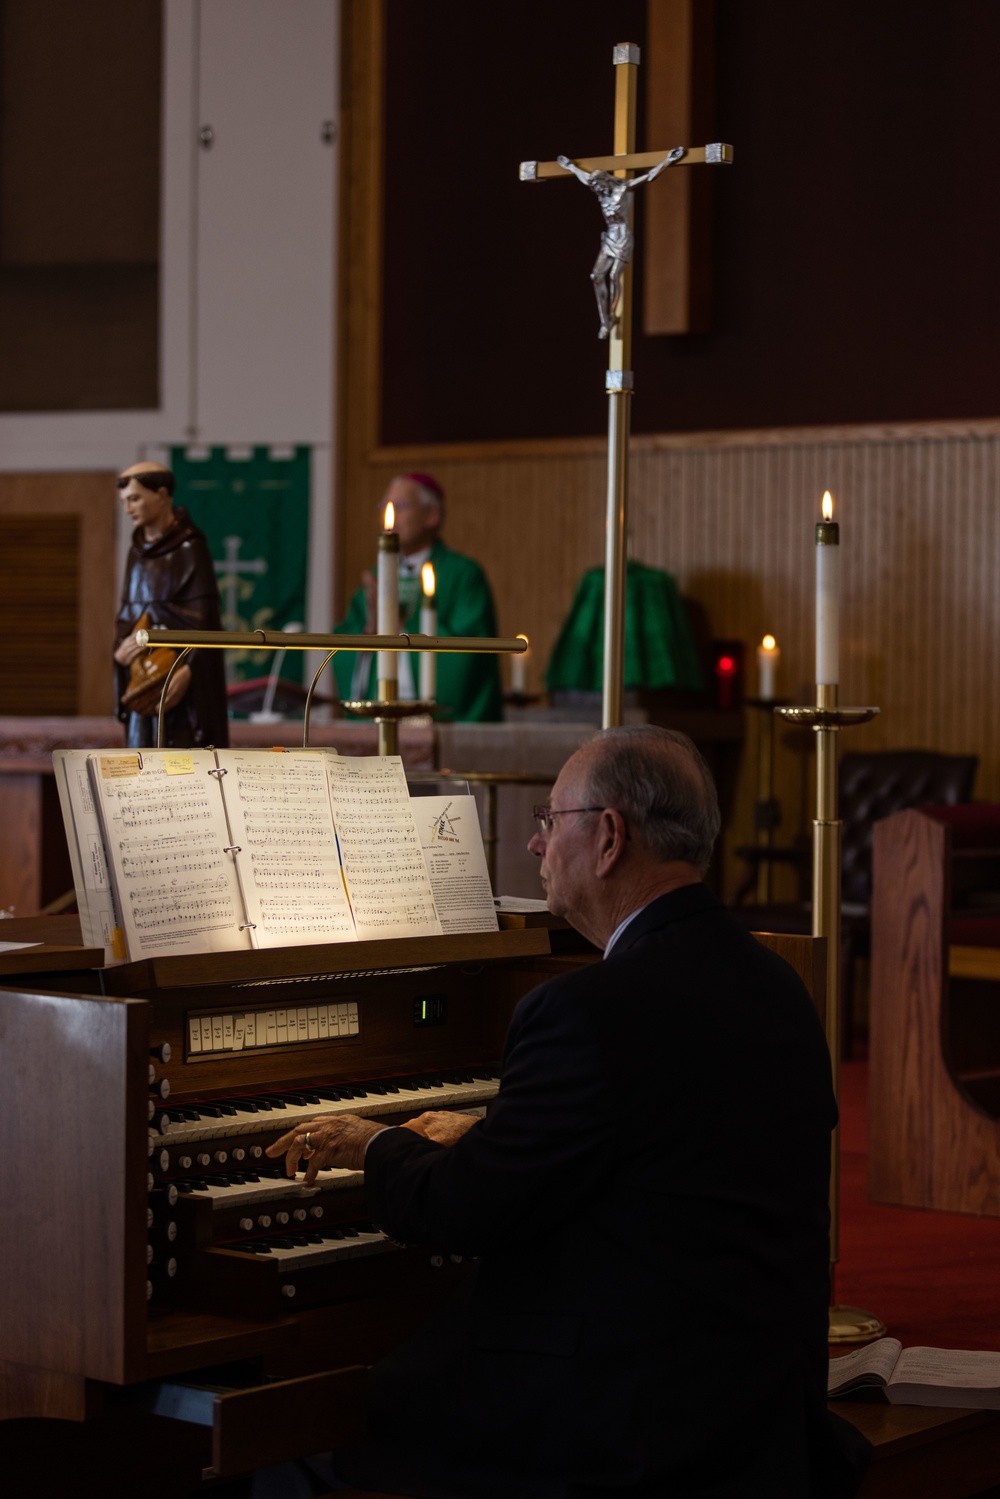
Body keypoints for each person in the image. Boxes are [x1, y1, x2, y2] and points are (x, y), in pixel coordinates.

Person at [267, 727, 868, 1498]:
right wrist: (491, 1133)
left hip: (621, 1425)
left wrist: (376, 1143)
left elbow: (470, 1206)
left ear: (610, 835)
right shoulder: (775, 985)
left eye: (551, 820)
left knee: (303, 1446)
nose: (533, 841)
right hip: (755, 1413)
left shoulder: (585, 1011)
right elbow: (654, 1151)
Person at [332, 472, 503, 722]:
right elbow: (344, 651)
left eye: (400, 506)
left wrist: (400, 625)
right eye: (386, 506)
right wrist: (371, 629)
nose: (391, 515)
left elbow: (471, 655)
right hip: (382, 714)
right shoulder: (376, 577)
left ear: (431, 515)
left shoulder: (463, 575)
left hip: (440, 721)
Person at [113, 462, 229, 749]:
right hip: (143, 682)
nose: (128, 508)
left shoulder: (190, 549)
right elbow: (128, 617)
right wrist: (121, 651)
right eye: (125, 501)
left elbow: (207, 627)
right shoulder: (136, 553)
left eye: (135, 498)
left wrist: (190, 669)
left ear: (162, 495)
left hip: (183, 689)